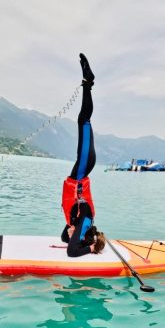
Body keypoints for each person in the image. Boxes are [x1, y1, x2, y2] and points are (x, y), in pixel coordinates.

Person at [61, 53, 106, 257]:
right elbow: (71, 251)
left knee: (83, 121)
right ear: (82, 235)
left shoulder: (77, 223)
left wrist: (71, 233)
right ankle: (89, 83)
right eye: (74, 235)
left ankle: (88, 82)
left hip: (81, 168)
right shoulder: (85, 218)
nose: (70, 234)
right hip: (83, 167)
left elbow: (65, 239)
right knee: (84, 120)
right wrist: (91, 248)